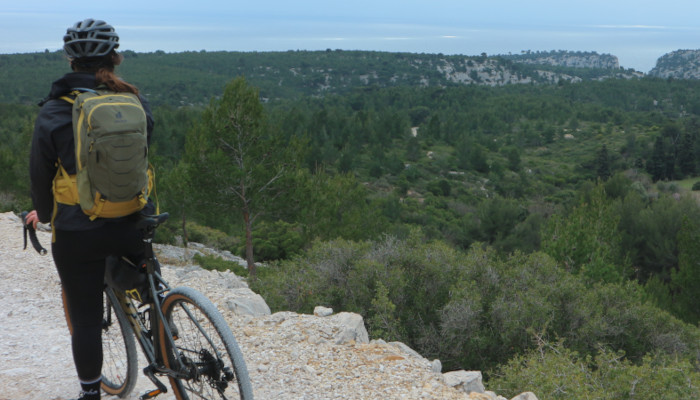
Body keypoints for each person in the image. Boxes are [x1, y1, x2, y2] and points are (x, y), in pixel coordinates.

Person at [26, 19, 154, 400]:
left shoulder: (52, 111)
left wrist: (45, 215)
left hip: (79, 229)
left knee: (84, 320)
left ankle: (90, 393)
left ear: (69, 60)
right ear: (115, 57)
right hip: (133, 218)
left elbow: (39, 174)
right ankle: (168, 335)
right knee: (150, 284)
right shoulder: (134, 101)